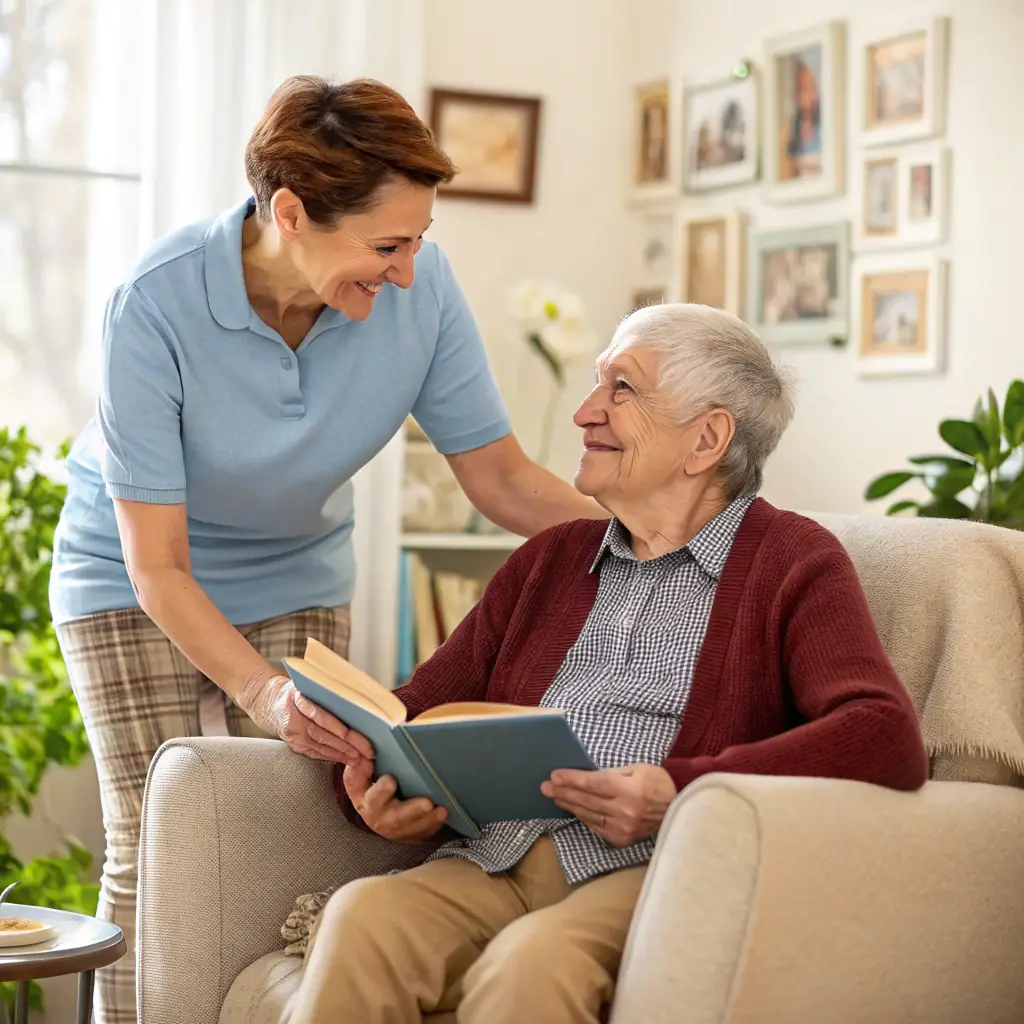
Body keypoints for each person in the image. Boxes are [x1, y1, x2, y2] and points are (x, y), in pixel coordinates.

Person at [49, 75, 603, 1024]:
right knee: (151, 836)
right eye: (387, 245)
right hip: (132, 573)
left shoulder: (420, 293)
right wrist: (261, 693)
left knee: (302, 829)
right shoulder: (156, 302)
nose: (407, 271)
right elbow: (160, 564)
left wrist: (647, 539)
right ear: (292, 213)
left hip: (295, 571)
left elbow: (501, 479)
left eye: (419, 240)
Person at [284, 303, 929, 1024]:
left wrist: (677, 790)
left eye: (621, 388)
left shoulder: (792, 562)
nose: (586, 412)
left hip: (646, 868)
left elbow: (882, 735)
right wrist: (376, 789)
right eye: (598, 384)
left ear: (707, 438)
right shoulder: (548, 561)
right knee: (362, 916)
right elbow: (411, 713)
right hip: (491, 859)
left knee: (532, 965)